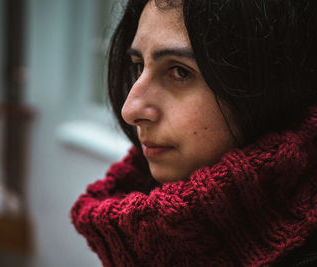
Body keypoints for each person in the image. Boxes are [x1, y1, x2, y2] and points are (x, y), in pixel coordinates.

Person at [71, 0, 317, 266]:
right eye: (139, 66)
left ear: (272, 83)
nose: (130, 110)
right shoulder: (136, 221)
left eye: (180, 71)